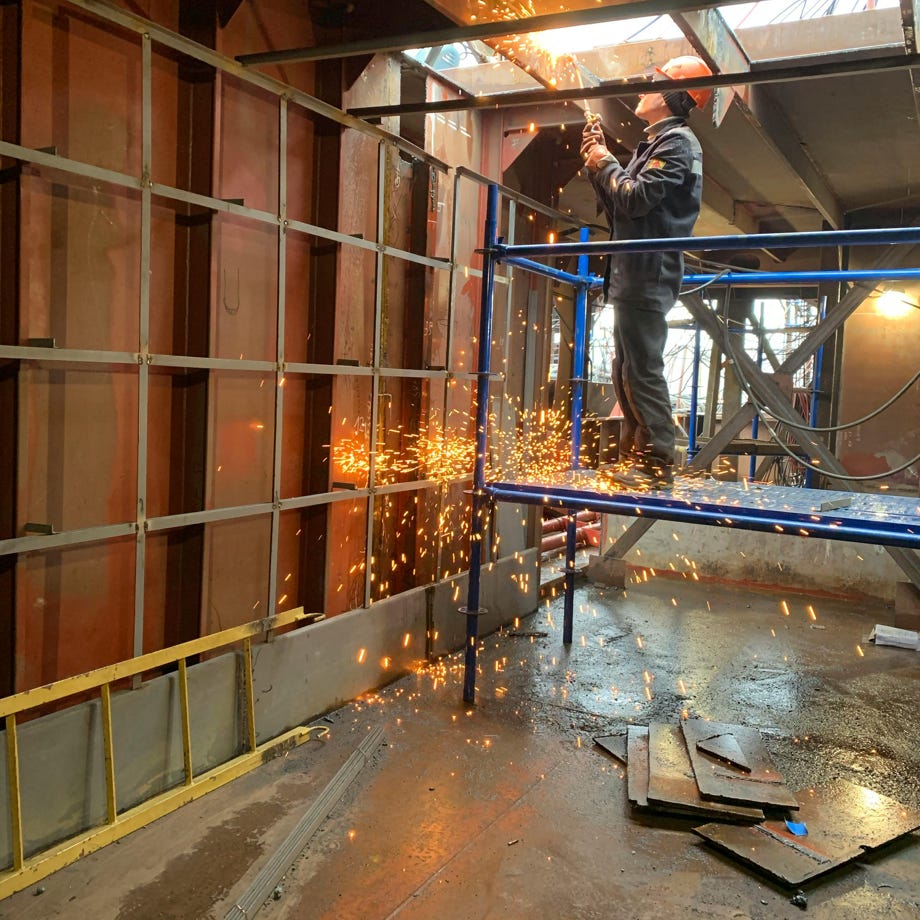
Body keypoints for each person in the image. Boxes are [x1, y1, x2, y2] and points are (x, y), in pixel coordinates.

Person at [580, 55, 713, 489]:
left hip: (647, 273)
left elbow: (635, 200)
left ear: (672, 97)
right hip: (629, 272)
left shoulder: (679, 143)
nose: (642, 91)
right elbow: (620, 203)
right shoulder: (654, 146)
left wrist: (606, 164)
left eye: (653, 85)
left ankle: (657, 461)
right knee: (626, 367)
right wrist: (596, 163)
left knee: (642, 367)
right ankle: (641, 456)